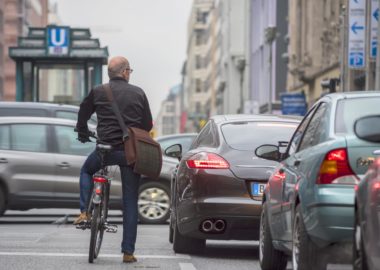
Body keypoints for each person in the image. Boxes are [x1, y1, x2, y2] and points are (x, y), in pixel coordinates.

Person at [74, 56, 153, 263]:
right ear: (125, 72)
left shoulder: (99, 91)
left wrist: (82, 132)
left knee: (86, 171)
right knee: (129, 201)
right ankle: (128, 252)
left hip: (103, 149)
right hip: (129, 153)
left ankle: (84, 212)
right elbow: (147, 124)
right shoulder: (138, 93)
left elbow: (83, 112)